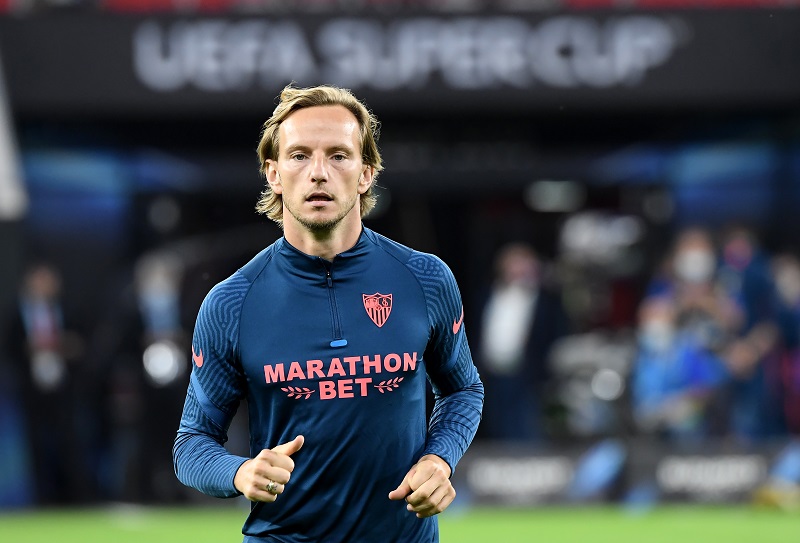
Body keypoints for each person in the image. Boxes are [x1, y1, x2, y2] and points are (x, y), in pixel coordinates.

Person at [173, 84, 484, 542]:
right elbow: (192, 444)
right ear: (274, 174)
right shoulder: (231, 303)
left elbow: (462, 389)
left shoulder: (426, 279)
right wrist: (240, 473)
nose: (318, 173)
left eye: (338, 155)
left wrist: (440, 459)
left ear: (366, 173)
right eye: (299, 156)